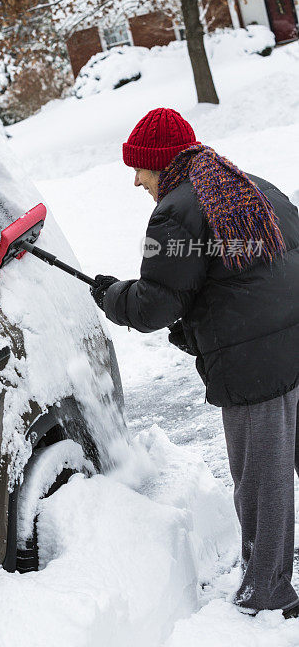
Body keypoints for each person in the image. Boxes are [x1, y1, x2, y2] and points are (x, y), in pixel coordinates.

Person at [90, 107, 299, 617]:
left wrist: (109, 294)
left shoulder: (178, 210)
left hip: (255, 367)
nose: (136, 180)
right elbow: (243, 271)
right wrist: (202, 329)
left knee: (262, 479)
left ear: (163, 164)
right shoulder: (249, 186)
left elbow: (154, 305)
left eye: (140, 168)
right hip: (291, 347)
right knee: (280, 467)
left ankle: (267, 591)